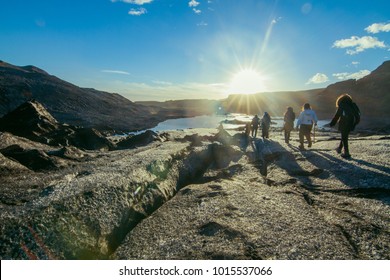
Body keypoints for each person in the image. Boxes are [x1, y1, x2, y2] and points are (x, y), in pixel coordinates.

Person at [329, 93, 360, 159]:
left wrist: (332, 123)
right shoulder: (353, 105)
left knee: (344, 136)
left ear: (340, 99)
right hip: (352, 123)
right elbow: (358, 114)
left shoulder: (342, 105)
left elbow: (337, 116)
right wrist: (355, 123)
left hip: (344, 123)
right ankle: (339, 148)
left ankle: (346, 152)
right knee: (344, 135)